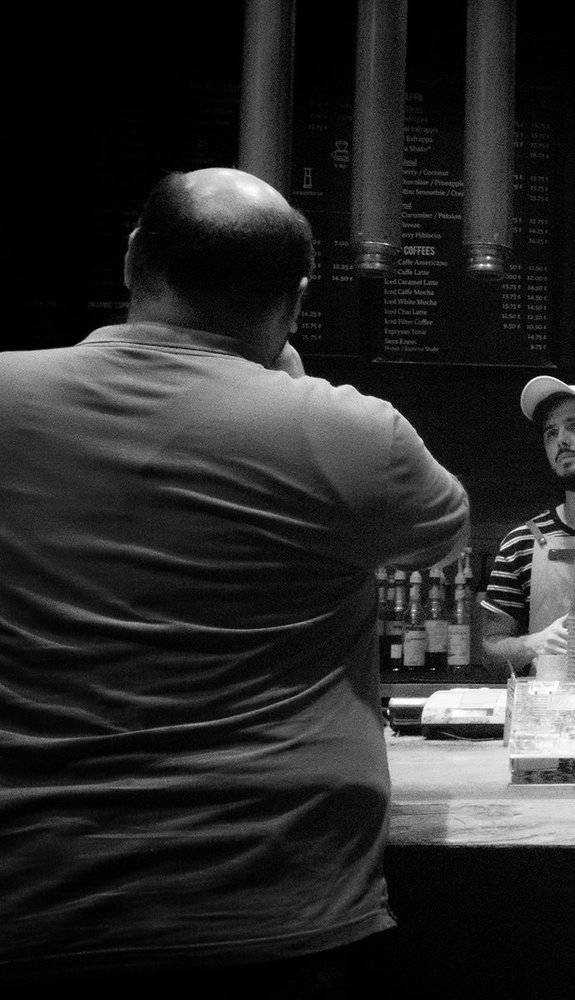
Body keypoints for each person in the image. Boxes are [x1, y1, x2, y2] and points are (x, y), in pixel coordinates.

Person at [0, 168, 470, 992]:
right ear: (297, 299)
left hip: (33, 901)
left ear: (133, 258)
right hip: (278, 905)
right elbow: (443, 536)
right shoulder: (352, 434)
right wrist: (287, 382)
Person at [482, 376, 575, 675]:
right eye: (551, 432)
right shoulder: (521, 543)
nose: (561, 439)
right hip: (551, 703)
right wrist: (534, 644)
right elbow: (490, 650)